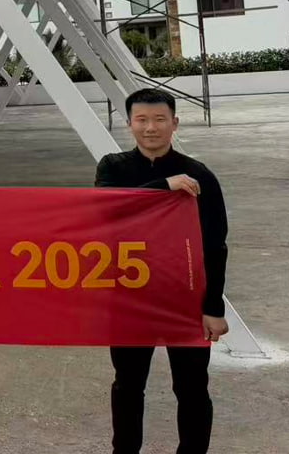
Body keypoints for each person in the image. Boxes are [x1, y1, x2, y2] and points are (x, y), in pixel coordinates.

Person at [94, 88, 229, 454]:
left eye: (159, 120)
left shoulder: (199, 175)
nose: (150, 128)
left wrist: (213, 307)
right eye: (141, 120)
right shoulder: (113, 167)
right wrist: (164, 187)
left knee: (191, 387)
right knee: (127, 384)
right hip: (129, 298)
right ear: (129, 124)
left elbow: (215, 246)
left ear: (174, 123)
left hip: (184, 298)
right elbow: (109, 210)